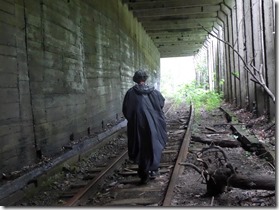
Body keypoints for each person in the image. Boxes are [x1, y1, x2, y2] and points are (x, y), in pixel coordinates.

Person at [122, 70, 168, 184]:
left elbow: (126, 110)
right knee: (154, 145)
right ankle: (153, 169)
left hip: (138, 125)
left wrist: (134, 119)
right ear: (145, 79)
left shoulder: (130, 93)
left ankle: (144, 174)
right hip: (154, 125)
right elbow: (161, 104)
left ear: (136, 79)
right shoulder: (154, 92)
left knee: (140, 147)